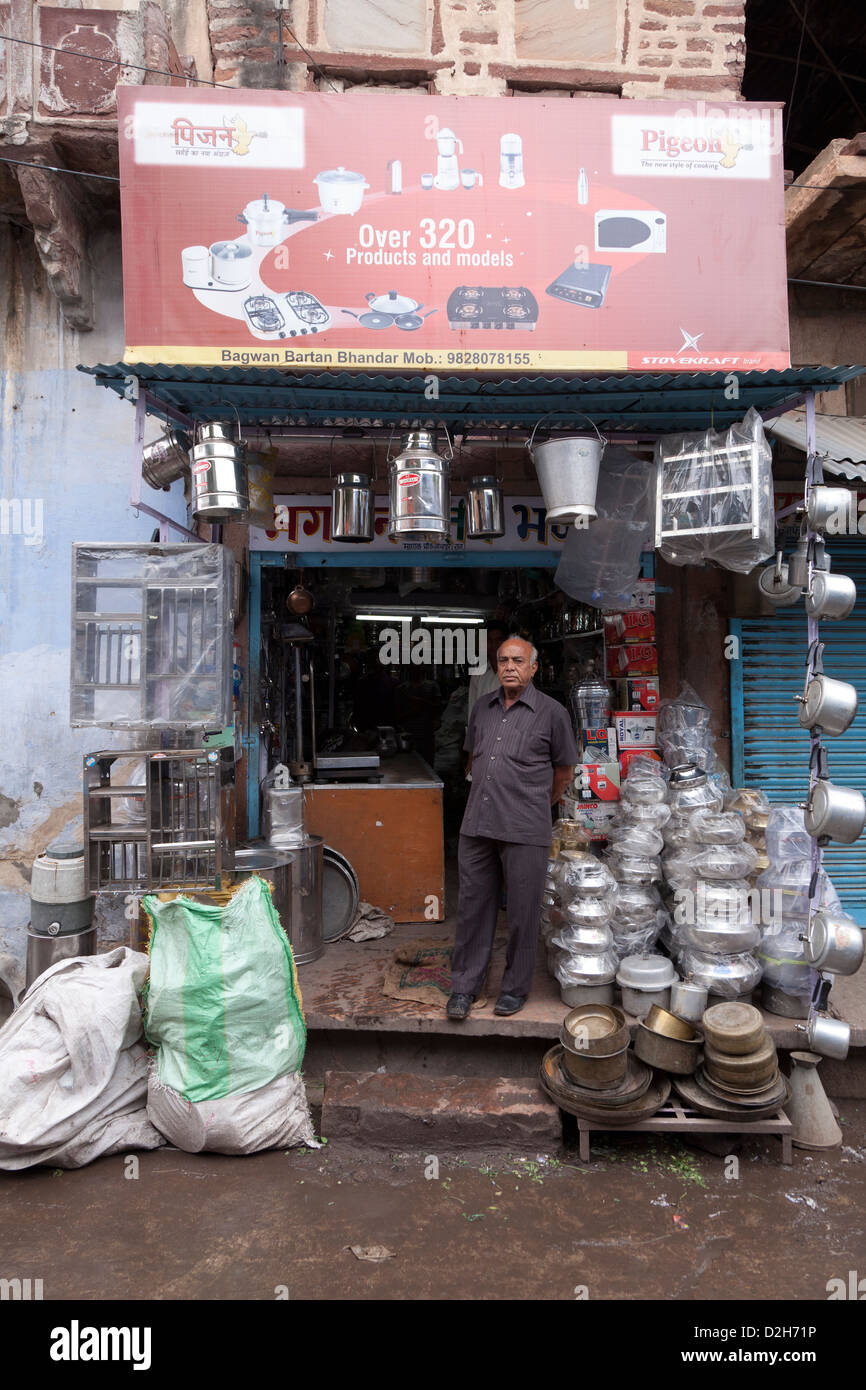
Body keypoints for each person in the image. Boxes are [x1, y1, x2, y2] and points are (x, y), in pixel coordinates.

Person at [447, 637, 578, 1019]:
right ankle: (465, 987)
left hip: (525, 826)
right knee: (472, 907)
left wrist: (534, 804)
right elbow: (471, 759)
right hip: (478, 824)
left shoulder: (552, 713)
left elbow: (564, 773)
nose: (509, 667)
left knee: (522, 912)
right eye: (503, 660)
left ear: (533, 667)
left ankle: (515, 988)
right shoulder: (482, 708)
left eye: (518, 661)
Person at [467, 622, 509, 718]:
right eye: (489, 640)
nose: (494, 645)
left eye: (498, 640)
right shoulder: (477, 675)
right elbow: (473, 711)